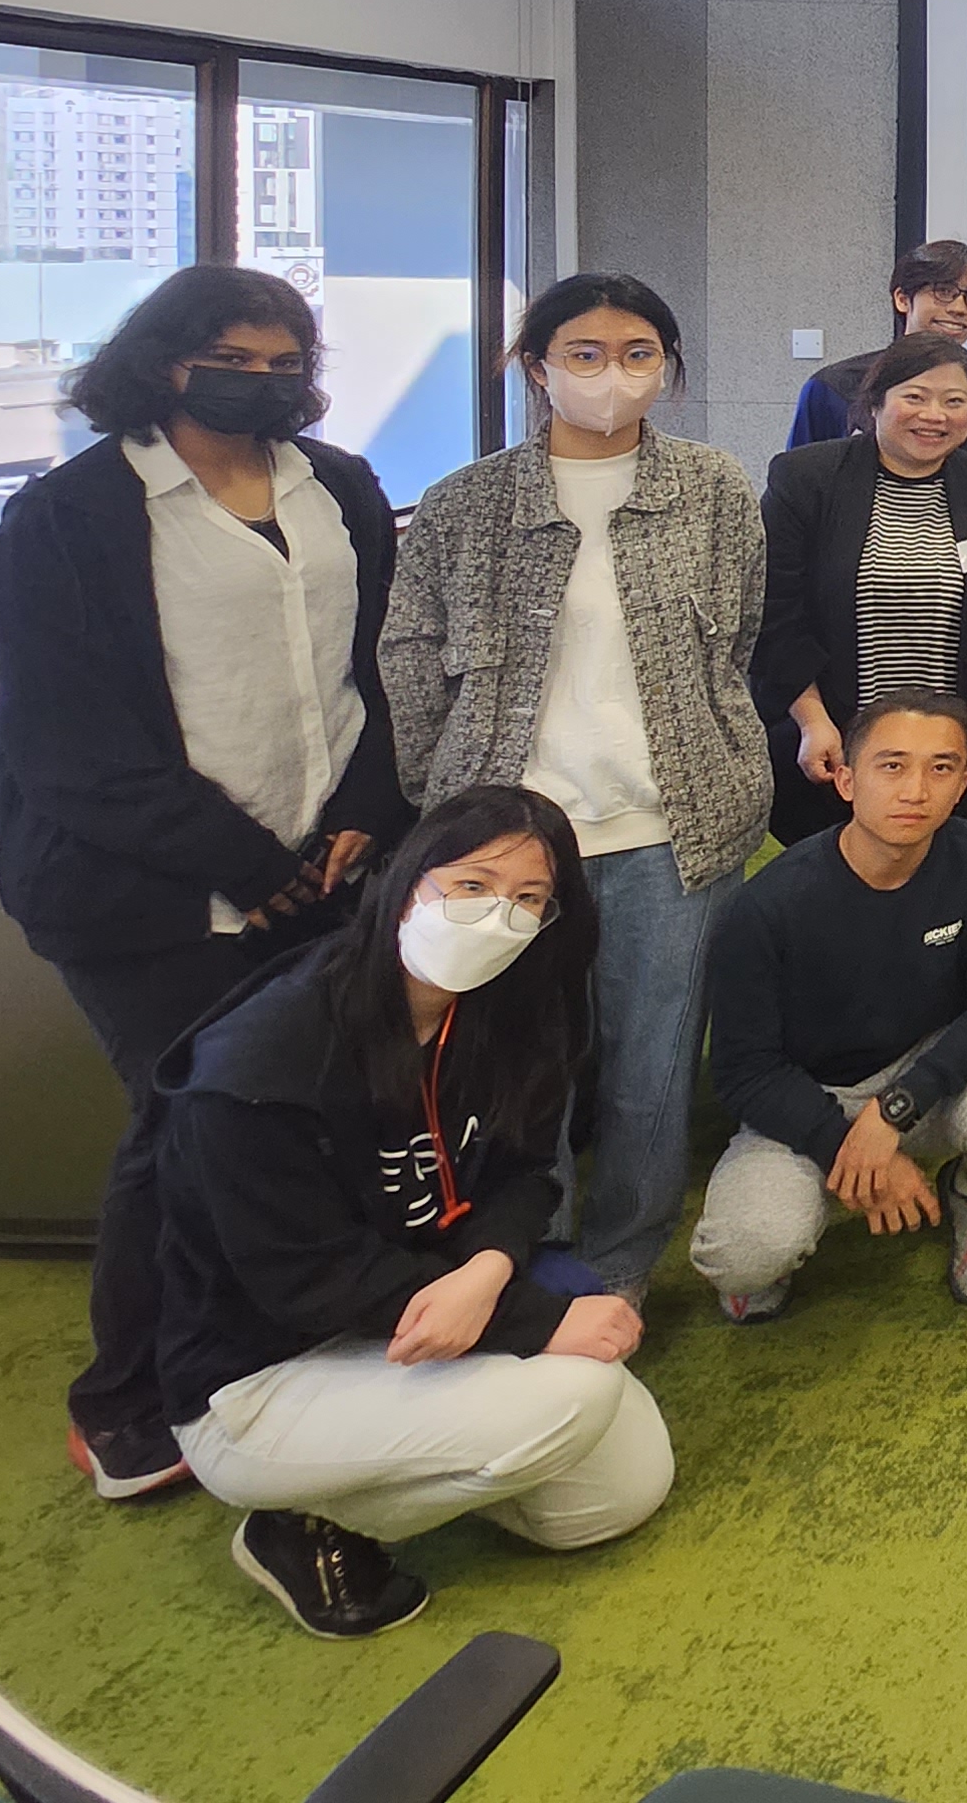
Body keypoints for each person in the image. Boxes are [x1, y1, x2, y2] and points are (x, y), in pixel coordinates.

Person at [0, 265, 409, 1505]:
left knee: (308, 1114)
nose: (265, 380)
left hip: (326, 863)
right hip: (148, 896)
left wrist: (365, 816)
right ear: (164, 362)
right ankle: (123, 1398)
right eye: (235, 358)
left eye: (287, 362)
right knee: (180, 1130)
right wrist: (248, 866)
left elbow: (380, 668)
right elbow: (64, 745)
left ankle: (264, 1341)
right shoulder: (71, 515)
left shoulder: (337, 487)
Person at [155, 790, 667, 1637]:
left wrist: (488, 1271)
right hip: (261, 1371)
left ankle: (404, 1464)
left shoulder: (514, 1012)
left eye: (529, 900)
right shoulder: (261, 1061)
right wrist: (533, 1319)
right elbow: (304, 1281)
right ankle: (299, 1521)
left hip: (425, 1306)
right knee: (576, 1394)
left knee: (620, 1494)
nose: (497, 915)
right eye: (471, 883)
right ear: (404, 882)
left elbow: (527, 1173)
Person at [383, 270, 766, 1302]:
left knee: (651, 1071)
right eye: (585, 356)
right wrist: (443, 801)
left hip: (669, 829)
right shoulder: (467, 505)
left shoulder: (714, 488)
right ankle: (523, 1257)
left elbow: (737, 641)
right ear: (535, 368)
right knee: (517, 1069)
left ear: (669, 373)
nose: (611, 377)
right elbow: (410, 658)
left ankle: (620, 1264)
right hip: (511, 841)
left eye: (638, 355)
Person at [688, 694, 967, 1319]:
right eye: (892, 765)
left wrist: (893, 1113)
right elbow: (744, 1069)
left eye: (942, 768)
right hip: (810, 1091)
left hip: (926, 1076)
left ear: (965, 781)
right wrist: (844, 1145)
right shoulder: (767, 906)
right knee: (745, 1256)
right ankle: (804, 1215)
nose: (916, 789)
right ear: (844, 778)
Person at [757, 333, 967, 841]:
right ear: (875, 402)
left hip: (955, 744)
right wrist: (812, 721)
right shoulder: (807, 479)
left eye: (955, 401)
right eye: (915, 396)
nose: (935, 415)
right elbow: (777, 613)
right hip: (841, 736)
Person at [784, 239, 967, 458]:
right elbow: (798, 480)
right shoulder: (833, 386)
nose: (959, 308)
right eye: (943, 292)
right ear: (902, 299)